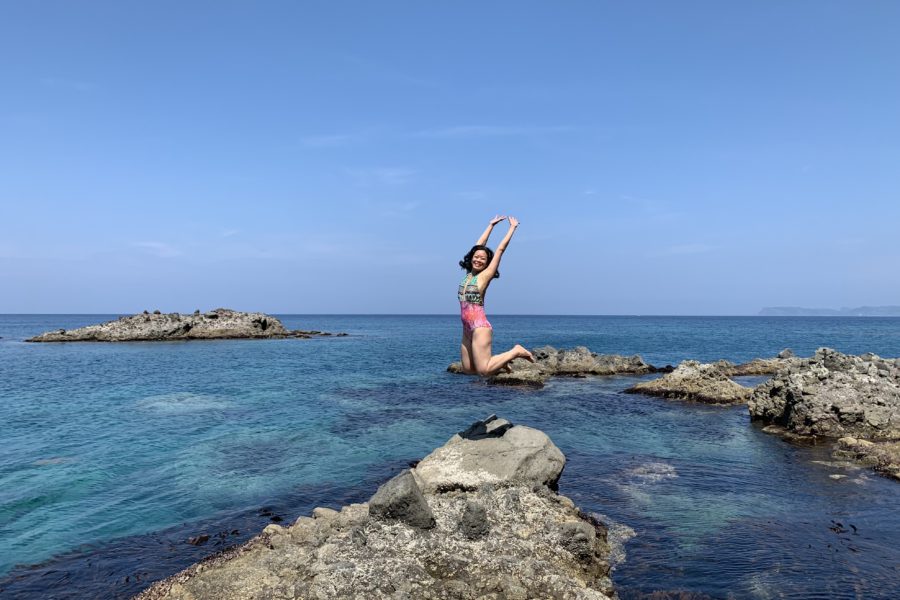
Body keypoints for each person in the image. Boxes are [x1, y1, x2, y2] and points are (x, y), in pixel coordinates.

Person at [458, 215, 535, 376]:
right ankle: (500, 363)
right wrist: (491, 226)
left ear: (487, 263)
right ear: (472, 257)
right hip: (466, 328)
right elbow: (478, 246)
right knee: (468, 370)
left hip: (479, 327)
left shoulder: (485, 276)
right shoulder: (468, 275)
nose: (478, 260)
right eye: (476, 257)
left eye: (483, 259)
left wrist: (512, 228)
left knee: (484, 371)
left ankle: (515, 351)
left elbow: (500, 249)